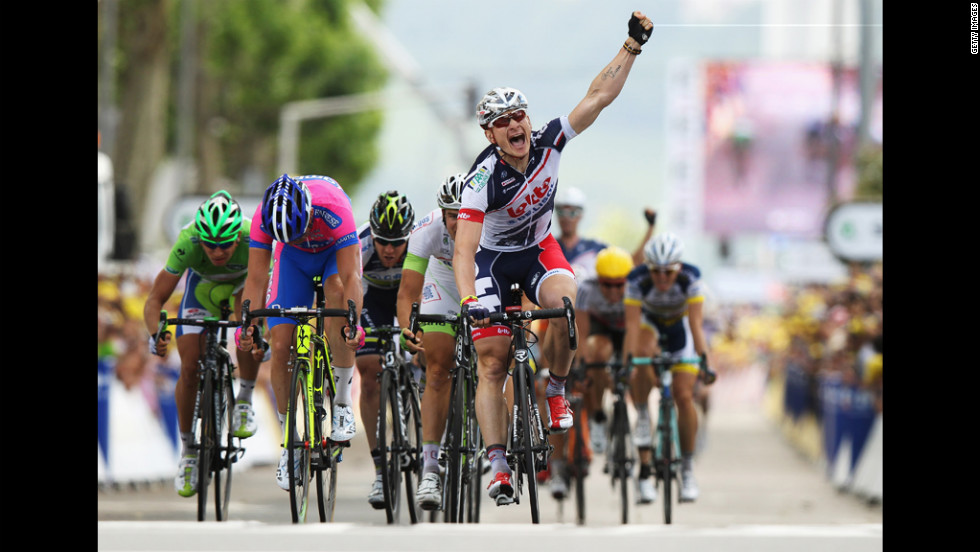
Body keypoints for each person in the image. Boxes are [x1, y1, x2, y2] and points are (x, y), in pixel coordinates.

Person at [453, 10, 655, 506]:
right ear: (491, 136)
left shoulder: (550, 141)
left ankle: (557, 387)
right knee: (493, 362)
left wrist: (632, 44)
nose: (515, 125)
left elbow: (599, 97)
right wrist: (467, 299)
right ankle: (499, 463)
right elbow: (463, 249)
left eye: (518, 115)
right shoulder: (481, 181)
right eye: (502, 123)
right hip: (495, 264)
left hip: (540, 250)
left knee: (567, 308)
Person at [235, 174, 365, 491]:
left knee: (336, 294)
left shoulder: (334, 207)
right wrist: (247, 324)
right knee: (281, 346)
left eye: (301, 230)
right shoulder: (263, 218)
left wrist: (354, 322)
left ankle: (344, 404)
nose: (299, 236)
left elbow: (351, 277)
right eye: (289, 235)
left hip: (334, 256)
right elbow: (255, 280)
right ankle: (290, 443)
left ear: (308, 212)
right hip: (293, 262)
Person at [144, 190, 265, 498]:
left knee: (245, 331)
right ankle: (187, 452)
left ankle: (245, 400)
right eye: (210, 244)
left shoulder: (254, 237)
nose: (217, 251)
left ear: (237, 236)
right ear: (201, 238)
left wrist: (259, 331)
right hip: (202, 293)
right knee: (189, 368)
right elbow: (155, 299)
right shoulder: (188, 241)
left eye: (225, 244)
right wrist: (155, 334)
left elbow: (265, 287)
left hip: (241, 288)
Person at [623, 232, 711, 503]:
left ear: (679, 268)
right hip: (650, 328)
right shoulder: (636, 279)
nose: (662, 278)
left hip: (680, 333)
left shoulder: (691, 277)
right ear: (648, 268)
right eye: (656, 271)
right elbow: (632, 327)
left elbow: (696, 325)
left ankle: (686, 469)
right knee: (641, 350)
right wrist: (629, 363)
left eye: (668, 272)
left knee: (684, 397)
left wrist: (704, 359)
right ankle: (642, 422)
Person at [395, 174, 465, 511]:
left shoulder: (495, 223)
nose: (458, 221)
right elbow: (408, 290)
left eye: (465, 213)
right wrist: (408, 328)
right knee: (437, 367)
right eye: (452, 215)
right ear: (442, 214)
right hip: (443, 282)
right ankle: (430, 467)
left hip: (481, 277)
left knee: (496, 356)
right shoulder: (427, 229)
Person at [353, 190, 416, 509]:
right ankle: (380, 470)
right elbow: (350, 288)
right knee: (368, 370)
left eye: (397, 242)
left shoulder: (420, 243)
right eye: (383, 242)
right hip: (373, 301)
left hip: (411, 295)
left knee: (430, 354)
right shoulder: (361, 242)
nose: (390, 250)